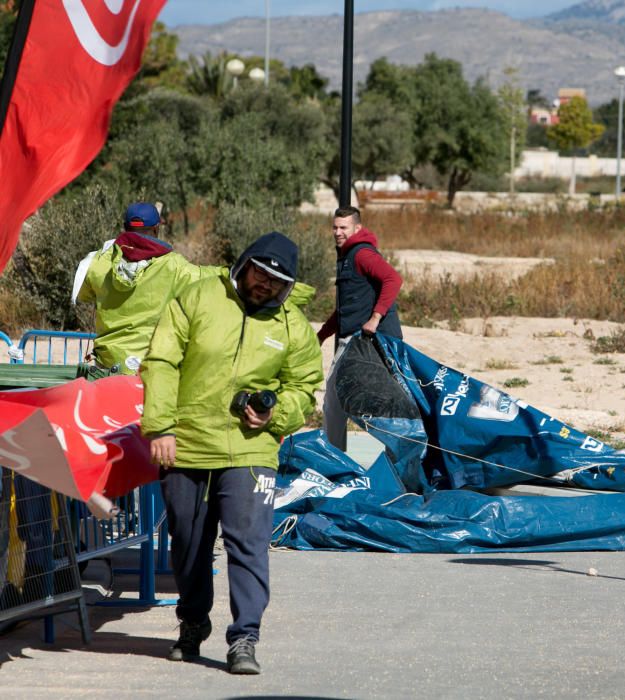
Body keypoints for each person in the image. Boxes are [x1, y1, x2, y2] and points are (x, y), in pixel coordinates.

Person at [140, 231, 323, 675]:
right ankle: (193, 621)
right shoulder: (198, 297)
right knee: (187, 543)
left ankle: (244, 637)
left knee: (248, 544)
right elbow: (162, 360)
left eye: (277, 283)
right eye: (260, 274)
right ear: (244, 266)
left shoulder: (292, 325)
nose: (265, 286)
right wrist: (161, 427)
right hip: (187, 443)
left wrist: (277, 413)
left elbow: (304, 388)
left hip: (251, 451)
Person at [73, 202, 218, 374]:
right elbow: (209, 279)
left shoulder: (98, 261)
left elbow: (84, 295)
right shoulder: (174, 266)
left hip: (107, 369)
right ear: (156, 229)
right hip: (153, 370)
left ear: (125, 228)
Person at [316, 206, 402, 450]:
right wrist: (322, 334)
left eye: (344, 227)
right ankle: (334, 454)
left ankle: (338, 454)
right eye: (335, 227)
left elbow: (393, 279)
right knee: (335, 400)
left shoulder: (361, 254)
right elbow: (348, 306)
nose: (338, 232)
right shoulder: (346, 257)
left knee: (341, 400)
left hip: (366, 343)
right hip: (353, 340)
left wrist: (375, 319)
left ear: (357, 228)